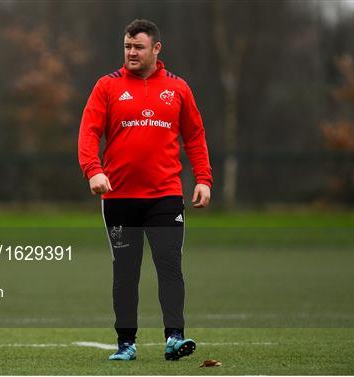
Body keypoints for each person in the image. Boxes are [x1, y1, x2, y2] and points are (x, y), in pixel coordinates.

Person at [78, 19, 213, 361]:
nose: (131, 53)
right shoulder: (106, 87)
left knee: (169, 265)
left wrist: (203, 179)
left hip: (165, 197)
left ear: (156, 49)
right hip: (120, 198)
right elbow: (88, 133)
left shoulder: (178, 88)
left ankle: (175, 338)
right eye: (127, 46)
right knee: (126, 272)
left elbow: (195, 136)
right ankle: (126, 343)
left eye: (138, 47)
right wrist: (94, 170)